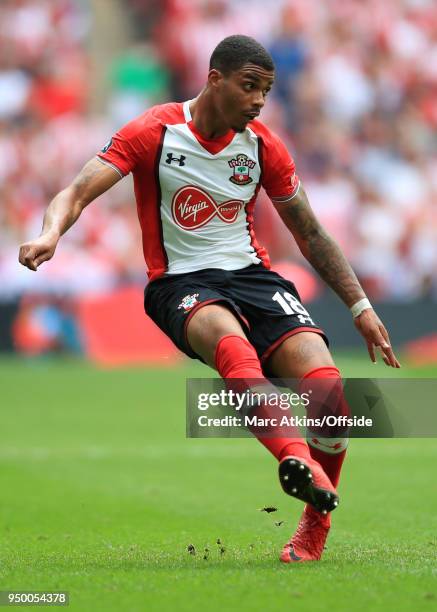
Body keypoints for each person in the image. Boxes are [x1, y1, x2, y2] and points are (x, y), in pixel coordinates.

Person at [19, 35, 400, 563]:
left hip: (253, 277)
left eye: (265, 91)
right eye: (249, 87)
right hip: (180, 282)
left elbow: (310, 233)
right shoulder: (154, 130)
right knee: (230, 344)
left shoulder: (263, 144)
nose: (259, 101)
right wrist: (50, 233)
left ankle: (315, 522)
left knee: (330, 394)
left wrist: (361, 308)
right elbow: (78, 190)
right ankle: (296, 459)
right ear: (214, 78)